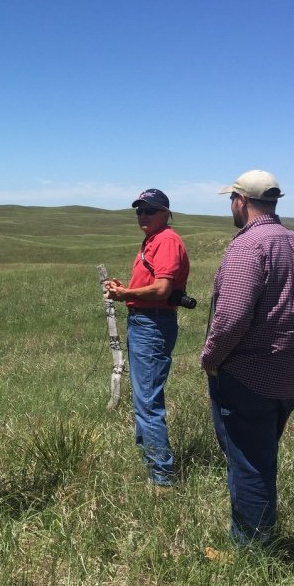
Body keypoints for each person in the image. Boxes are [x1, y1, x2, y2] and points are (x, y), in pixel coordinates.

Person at [201, 170, 294, 546]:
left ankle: (252, 549)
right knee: (260, 456)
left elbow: (231, 316)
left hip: (249, 373)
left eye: (230, 200)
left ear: (241, 201)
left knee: (249, 462)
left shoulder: (248, 247)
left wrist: (211, 358)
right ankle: (256, 537)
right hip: (290, 373)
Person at [104, 189, 190, 488]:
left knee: (148, 402)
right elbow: (152, 285)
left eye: (149, 210)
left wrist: (125, 294)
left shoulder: (166, 240)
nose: (143, 215)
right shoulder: (153, 240)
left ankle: (161, 477)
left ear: (165, 213)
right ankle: (150, 463)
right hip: (144, 320)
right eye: (139, 210)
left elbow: (162, 290)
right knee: (144, 397)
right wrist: (126, 289)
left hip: (152, 323)